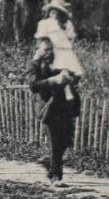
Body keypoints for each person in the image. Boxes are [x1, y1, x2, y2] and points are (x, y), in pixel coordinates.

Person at [27, 36, 82, 184]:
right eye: (45, 50)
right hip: (47, 107)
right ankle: (56, 175)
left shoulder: (58, 64)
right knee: (55, 140)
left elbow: (75, 76)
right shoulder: (33, 65)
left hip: (63, 106)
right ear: (38, 50)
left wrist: (70, 77)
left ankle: (49, 162)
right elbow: (33, 85)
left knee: (65, 141)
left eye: (51, 50)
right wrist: (52, 80)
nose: (48, 53)